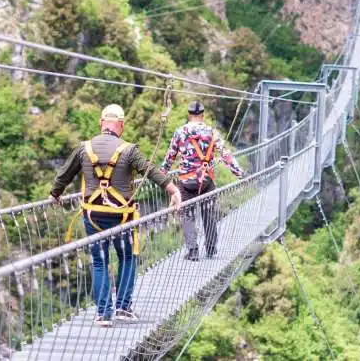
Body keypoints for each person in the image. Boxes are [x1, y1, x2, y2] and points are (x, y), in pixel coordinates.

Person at [51, 103, 182, 327]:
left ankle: (103, 314)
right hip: (122, 216)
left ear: (102, 123)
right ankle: (122, 307)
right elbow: (151, 170)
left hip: (94, 215)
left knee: (100, 262)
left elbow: (64, 176)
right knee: (127, 257)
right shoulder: (129, 150)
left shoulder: (84, 148)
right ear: (120, 125)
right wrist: (174, 190)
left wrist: (55, 195)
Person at [162, 100, 243, 261]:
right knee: (209, 214)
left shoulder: (180, 132)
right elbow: (225, 155)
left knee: (186, 215)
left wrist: (161, 176)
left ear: (189, 115)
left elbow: (169, 158)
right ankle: (211, 249)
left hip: (186, 182)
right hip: (206, 181)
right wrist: (240, 173)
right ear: (203, 115)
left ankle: (193, 251)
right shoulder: (212, 132)